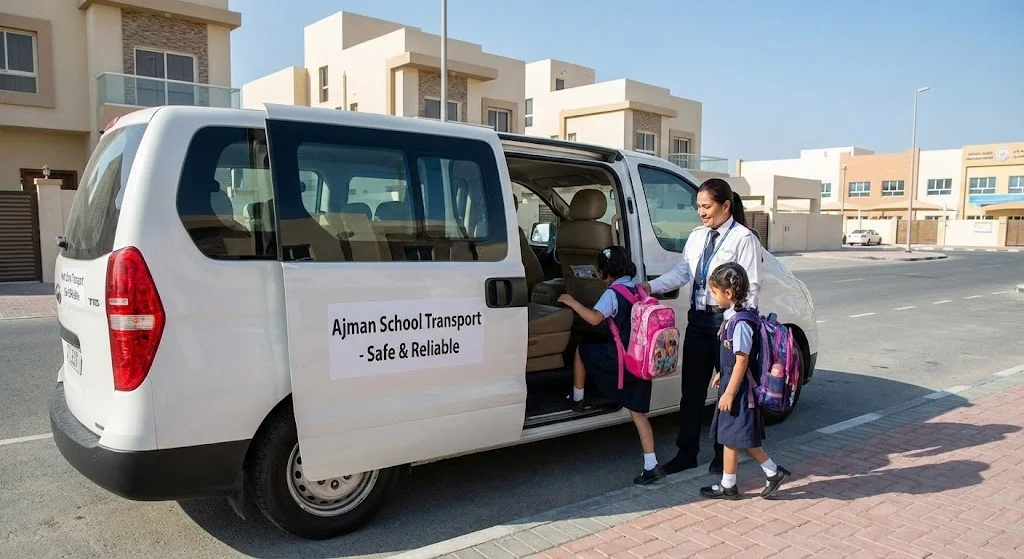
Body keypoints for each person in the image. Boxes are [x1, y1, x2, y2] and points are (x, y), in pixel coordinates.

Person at [637, 177, 762, 476]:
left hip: (726, 324)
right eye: (698, 207)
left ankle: (723, 454)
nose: (702, 213)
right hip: (698, 321)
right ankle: (687, 452)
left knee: (725, 392)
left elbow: (752, 289)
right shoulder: (697, 236)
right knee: (691, 391)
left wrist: (734, 324)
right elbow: (683, 272)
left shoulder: (743, 239)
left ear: (726, 206)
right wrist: (650, 287)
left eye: (707, 207)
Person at [557, 246, 664, 485]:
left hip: (620, 358)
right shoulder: (637, 289)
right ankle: (651, 464)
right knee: (639, 413)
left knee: (582, 350)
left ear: (604, 271)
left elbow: (595, 319)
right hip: (640, 357)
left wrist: (572, 301)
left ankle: (578, 397)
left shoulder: (612, 293)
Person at [699, 262, 790, 499]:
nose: (713, 296)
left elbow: (742, 360)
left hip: (740, 391)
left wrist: (729, 392)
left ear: (728, 293)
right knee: (741, 437)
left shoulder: (740, 323)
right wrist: (722, 373)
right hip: (735, 384)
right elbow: (734, 358)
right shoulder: (735, 318)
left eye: (714, 292)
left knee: (733, 438)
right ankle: (771, 472)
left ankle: (730, 484)